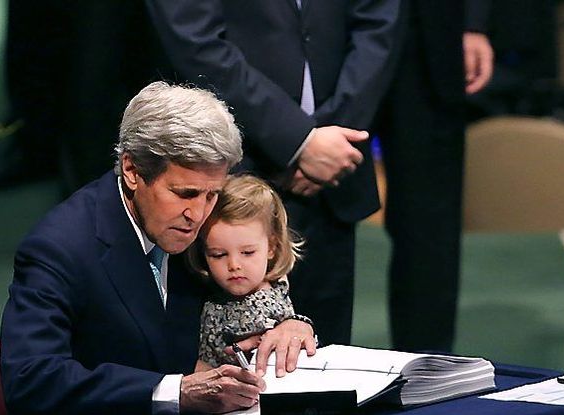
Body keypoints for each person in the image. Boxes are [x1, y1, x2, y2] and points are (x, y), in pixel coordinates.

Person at [0, 81, 317, 415]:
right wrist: (175, 391)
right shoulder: (60, 247)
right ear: (132, 170)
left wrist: (289, 323)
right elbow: (32, 378)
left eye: (212, 195)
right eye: (186, 194)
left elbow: (242, 293)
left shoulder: (194, 223)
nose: (201, 213)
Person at [144, 0, 402, 345]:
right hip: (232, 170)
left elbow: (379, 21)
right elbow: (195, 39)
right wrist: (299, 140)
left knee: (328, 362)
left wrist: (333, 138)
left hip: (335, 171)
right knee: (232, 375)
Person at [376, 0, 493, 352]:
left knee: (428, 220)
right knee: (314, 198)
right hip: (321, 28)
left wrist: (472, 22)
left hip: (428, 28)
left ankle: (428, 367)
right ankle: (307, 365)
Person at [188, 175, 314, 374]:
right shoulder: (202, 294)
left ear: (271, 247)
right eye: (218, 255)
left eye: (247, 253)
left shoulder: (270, 306)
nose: (234, 265)